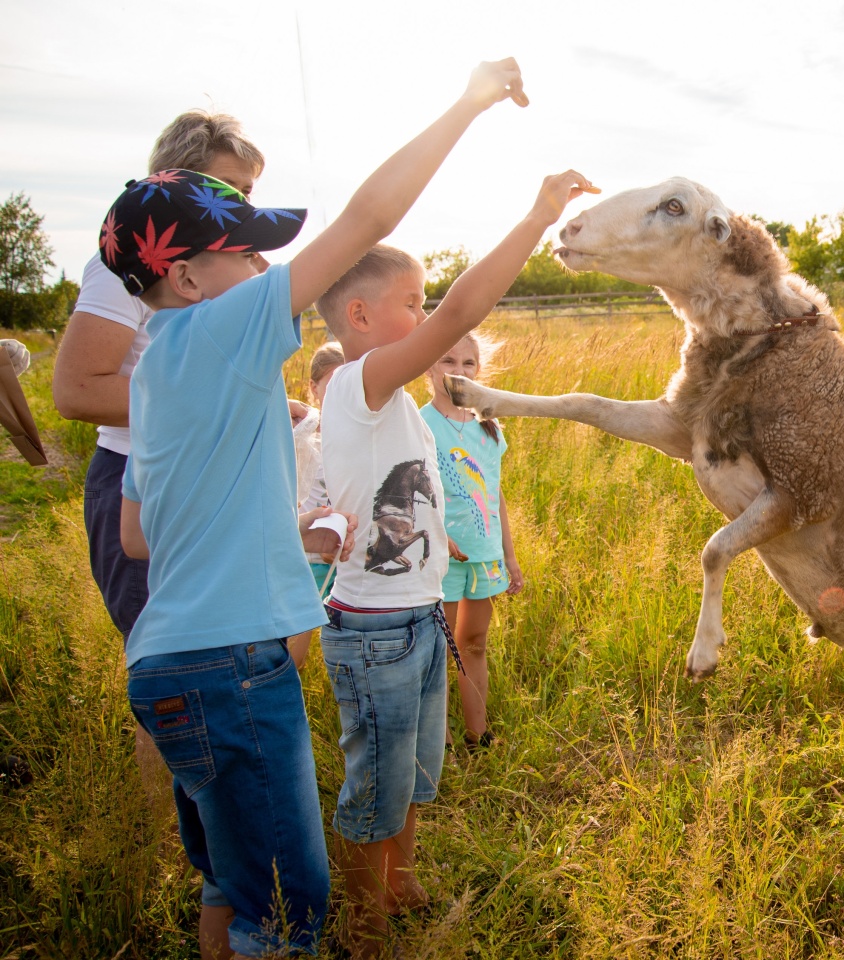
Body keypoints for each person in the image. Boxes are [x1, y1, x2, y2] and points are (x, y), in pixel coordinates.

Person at [111, 58, 541, 959]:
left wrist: (286, 530)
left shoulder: (153, 370)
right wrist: (466, 102)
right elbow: (369, 221)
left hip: (165, 662)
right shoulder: (215, 331)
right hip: (232, 668)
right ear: (185, 277)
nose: (266, 265)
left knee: (232, 885)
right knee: (288, 910)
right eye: (245, 250)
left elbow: (136, 534)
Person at [314, 171, 594, 955]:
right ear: (361, 316)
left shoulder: (395, 399)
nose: (427, 316)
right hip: (374, 632)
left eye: (425, 300)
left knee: (408, 775)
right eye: (413, 302)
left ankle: (399, 884)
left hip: (419, 619)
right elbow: (466, 312)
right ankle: (365, 923)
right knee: (374, 787)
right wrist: (540, 217)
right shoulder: (358, 383)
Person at [50, 112, 266, 805]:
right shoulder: (129, 264)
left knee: (211, 663)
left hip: (203, 488)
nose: (243, 207)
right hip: (142, 492)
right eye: (229, 187)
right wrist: (208, 405)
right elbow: (78, 388)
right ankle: (163, 839)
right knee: (168, 668)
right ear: (175, 181)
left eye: (251, 190)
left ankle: (209, 830)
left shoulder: (215, 267)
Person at [419, 331, 521, 750]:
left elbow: (494, 494)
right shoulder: (420, 425)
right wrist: (439, 534)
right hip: (438, 557)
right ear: (427, 366)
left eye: (468, 363)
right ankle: (437, 741)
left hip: (483, 555)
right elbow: (412, 492)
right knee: (438, 651)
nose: (459, 372)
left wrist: (509, 556)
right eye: (447, 361)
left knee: (474, 644)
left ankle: (478, 735)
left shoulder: (488, 428)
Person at [287, 340, 347, 667]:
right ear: (313, 386)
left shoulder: (355, 432)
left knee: (339, 642)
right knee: (296, 643)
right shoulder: (302, 431)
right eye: (331, 384)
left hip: (344, 556)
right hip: (306, 554)